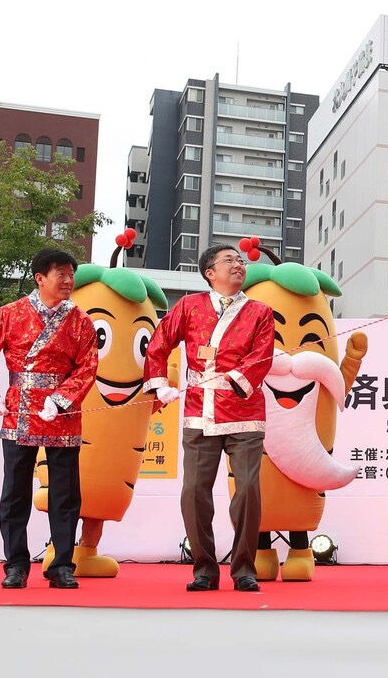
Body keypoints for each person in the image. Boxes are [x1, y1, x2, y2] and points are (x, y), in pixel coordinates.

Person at [142, 244, 274, 592]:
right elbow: (159, 343)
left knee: (248, 490)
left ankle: (244, 569)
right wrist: (160, 384)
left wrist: (233, 379)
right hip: (199, 411)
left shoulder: (260, 312)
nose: (238, 264)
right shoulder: (189, 306)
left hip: (245, 412)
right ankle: (204, 568)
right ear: (209, 273)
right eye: (229, 260)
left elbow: (262, 357)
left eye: (240, 260)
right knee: (194, 492)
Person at [0, 248, 98, 589]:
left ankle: (61, 565)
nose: (68, 281)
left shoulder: (81, 321)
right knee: (15, 493)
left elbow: (88, 367)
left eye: (71, 275)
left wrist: (61, 399)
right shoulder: (9, 314)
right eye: (60, 274)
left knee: (65, 494)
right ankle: (15, 565)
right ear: (40, 278)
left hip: (62, 414)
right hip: (18, 411)